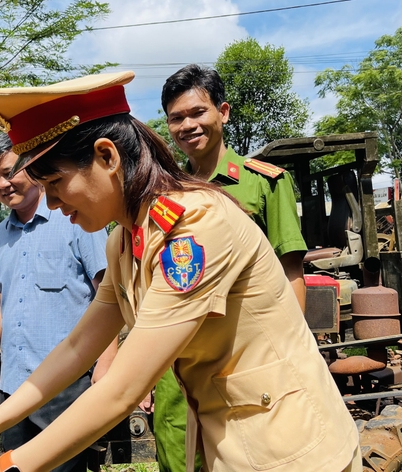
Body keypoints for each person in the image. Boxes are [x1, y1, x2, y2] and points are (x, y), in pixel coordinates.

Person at [0, 71, 360, 472]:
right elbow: (78, 345)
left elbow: (121, 390)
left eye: (55, 183)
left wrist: (5, 467)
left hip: (290, 447)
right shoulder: (125, 239)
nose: (53, 204)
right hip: (226, 439)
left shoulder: (194, 228)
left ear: (107, 155)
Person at [146, 64, 310, 472]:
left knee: (250, 457)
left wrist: (291, 355)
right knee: (178, 458)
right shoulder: (168, 194)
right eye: (177, 118)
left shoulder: (264, 183)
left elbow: (291, 274)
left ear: (223, 112)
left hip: (245, 358)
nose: (188, 125)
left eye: (198, 112)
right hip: (178, 363)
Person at [0, 133, 114, 472]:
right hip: (13, 387)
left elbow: (108, 292)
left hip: (67, 384)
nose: (3, 184)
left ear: (31, 165)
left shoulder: (78, 219)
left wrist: (106, 365)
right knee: (16, 465)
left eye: (9, 171)